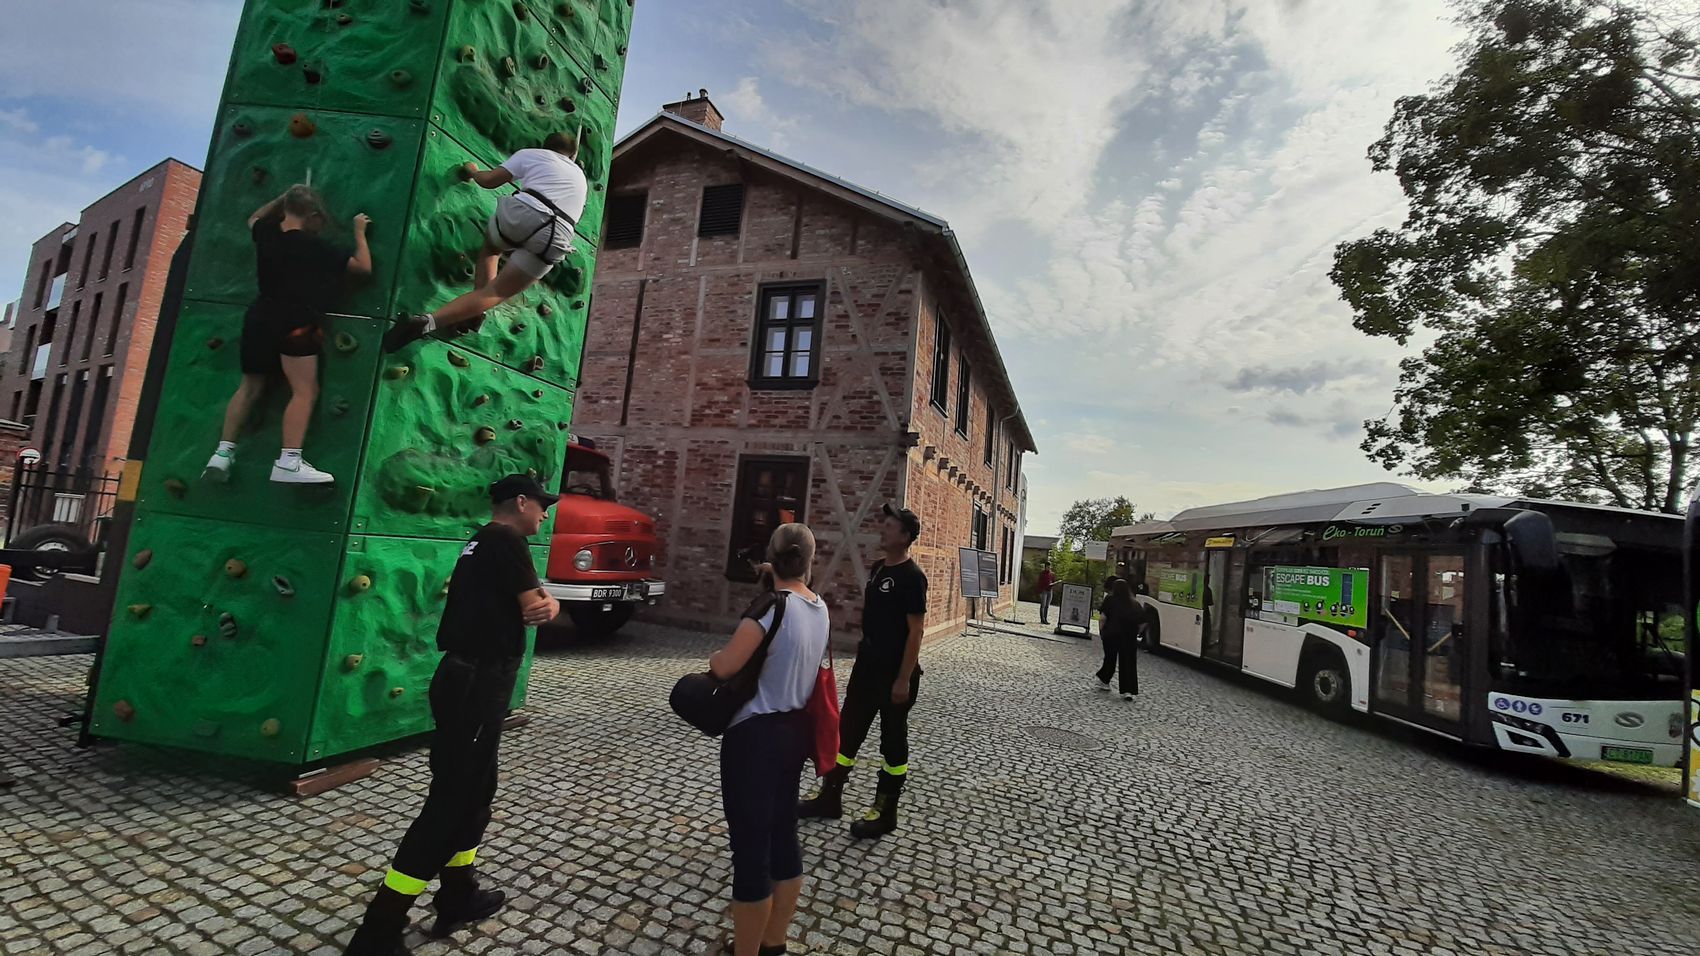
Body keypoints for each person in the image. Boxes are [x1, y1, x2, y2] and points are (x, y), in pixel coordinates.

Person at [341, 475, 560, 956]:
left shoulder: (483, 541)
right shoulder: (506, 540)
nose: (545, 514)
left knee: (478, 792)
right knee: (451, 802)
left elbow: (536, 601)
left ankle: (458, 893)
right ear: (521, 502)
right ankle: (379, 927)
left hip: (468, 679)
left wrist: (547, 601)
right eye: (542, 505)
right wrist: (550, 602)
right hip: (478, 682)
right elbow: (537, 608)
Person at [709, 523, 830, 956]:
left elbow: (725, 666)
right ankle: (773, 943)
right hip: (794, 732)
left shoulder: (769, 608)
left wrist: (714, 656)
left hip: (754, 735)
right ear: (810, 561)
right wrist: (774, 580)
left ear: (770, 558)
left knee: (750, 847)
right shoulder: (819, 607)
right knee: (783, 836)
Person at [204, 185, 371, 484]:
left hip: (259, 317)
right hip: (296, 321)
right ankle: (288, 461)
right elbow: (363, 268)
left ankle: (222, 454)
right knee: (304, 391)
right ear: (313, 215)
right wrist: (359, 231)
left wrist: (285, 197)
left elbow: (254, 218)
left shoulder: (266, 233)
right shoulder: (314, 246)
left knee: (249, 387)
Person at [384, 133, 586, 352]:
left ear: (545, 146)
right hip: (558, 234)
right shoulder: (580, 177)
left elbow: (490, 181)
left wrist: (473, 171)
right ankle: (435, 321)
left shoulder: (533, 154)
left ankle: (467, 310)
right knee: (497, 292)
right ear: (572, 155)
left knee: (492, 250)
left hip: (525, 211)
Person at [799, 504, 925, 839]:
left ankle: (885, 810)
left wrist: (903, 679)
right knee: (847, 732)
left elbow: (916, 631)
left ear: (905, 537)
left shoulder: (912, 577)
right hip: (866, 668)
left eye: (890, 526)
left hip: (894, 674)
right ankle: (830, 796)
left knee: (892, 744)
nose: (883, 529)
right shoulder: (878, 568)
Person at [1096, 578, 1141, 701]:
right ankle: (1128, 690)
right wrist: (1137, 633)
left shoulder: (1110, 600)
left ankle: (1105, 680)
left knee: (1110, 659)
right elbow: (1143, 622)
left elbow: (1103, 618)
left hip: (1112, 635)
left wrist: (1101, 632)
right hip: (1129, 637)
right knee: (1128, 663)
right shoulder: (1135, 604)